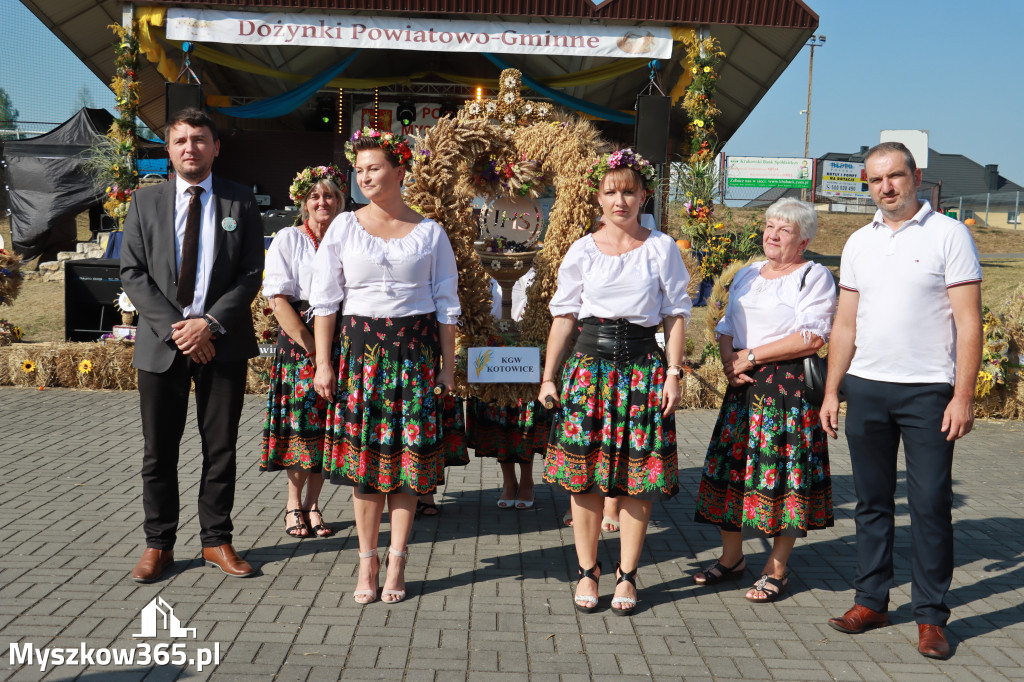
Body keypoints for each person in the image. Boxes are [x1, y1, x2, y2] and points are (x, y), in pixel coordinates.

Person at [821, 142, 982, 660]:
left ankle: (931, 618)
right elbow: (845, 324)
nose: (886, 187)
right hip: (866, 387)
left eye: (894, 176)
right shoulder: (857, 243)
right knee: (871, 504)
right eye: (875, 180)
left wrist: (963, 396)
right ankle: (871, 600)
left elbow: (968, 322)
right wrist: (831, 390)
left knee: (931, 505)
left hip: (929, 391)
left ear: (915, 177)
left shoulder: (949, 235)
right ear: (866, 185)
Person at [310, 128, 461, 605]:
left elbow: (446, 305)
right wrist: (322, 363)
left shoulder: (431, 232)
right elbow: (326, 300)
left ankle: (397, 559)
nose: (365, 176)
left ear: (399, 171)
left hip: (414, 359)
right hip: (359, 359)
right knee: (366, 465)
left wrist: (448, 367)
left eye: (374, 167)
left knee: (407, 466)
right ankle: (366, 560)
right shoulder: (343, 227)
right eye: (359, 170)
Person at [539, 149, 691, 615]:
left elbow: (676, 314)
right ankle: (588, 571)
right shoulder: (582, 250)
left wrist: (673, 373)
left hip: (644, 370)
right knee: (582, 478)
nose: (620, 200)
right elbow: (564, 317)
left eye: (629, 190)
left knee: (636, 479)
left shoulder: (662, 247)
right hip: (589, 372)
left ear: (644, 194)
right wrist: (548, 377)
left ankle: (627, 574)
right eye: (611, 192)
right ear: (597, 198)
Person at [120, 107, 264, 582]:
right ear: (168, 148)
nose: (190, 148)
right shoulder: (145, 203)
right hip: (163, 346)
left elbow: (250, 275)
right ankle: (158, 545)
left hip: (221, 344)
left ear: (215, 147)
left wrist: (209, 324)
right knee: (158, 450)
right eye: (181, 140)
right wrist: (179, 329)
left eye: (200, 139)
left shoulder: (241, 202)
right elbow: (133, 274)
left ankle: (216, 541)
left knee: (220, 448)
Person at [692, 197, 836, 602]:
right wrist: (728, 363)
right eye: (770, 226)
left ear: (803, 240)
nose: (772, 234)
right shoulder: (749, 273)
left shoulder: (814, 275)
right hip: (743, 384)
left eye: (784, 230)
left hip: (786, 389)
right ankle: (732, 558)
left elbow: (813, 335)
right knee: (731, 470)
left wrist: (751, 356)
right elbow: (724, 324)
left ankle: (776, 568)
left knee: (784, 477)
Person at [259, 165, 347, 538]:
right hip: (301, 341)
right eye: (315, 196)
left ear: (340, 200)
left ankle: (313, 505)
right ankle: (293, 504)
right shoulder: (288, 239)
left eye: (329, 195)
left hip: (342, 338)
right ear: (303, 202)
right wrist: (314, 350)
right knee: (302, 428)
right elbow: (278, 301)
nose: (322, 201)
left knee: (328, 430)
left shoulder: (350, 236)